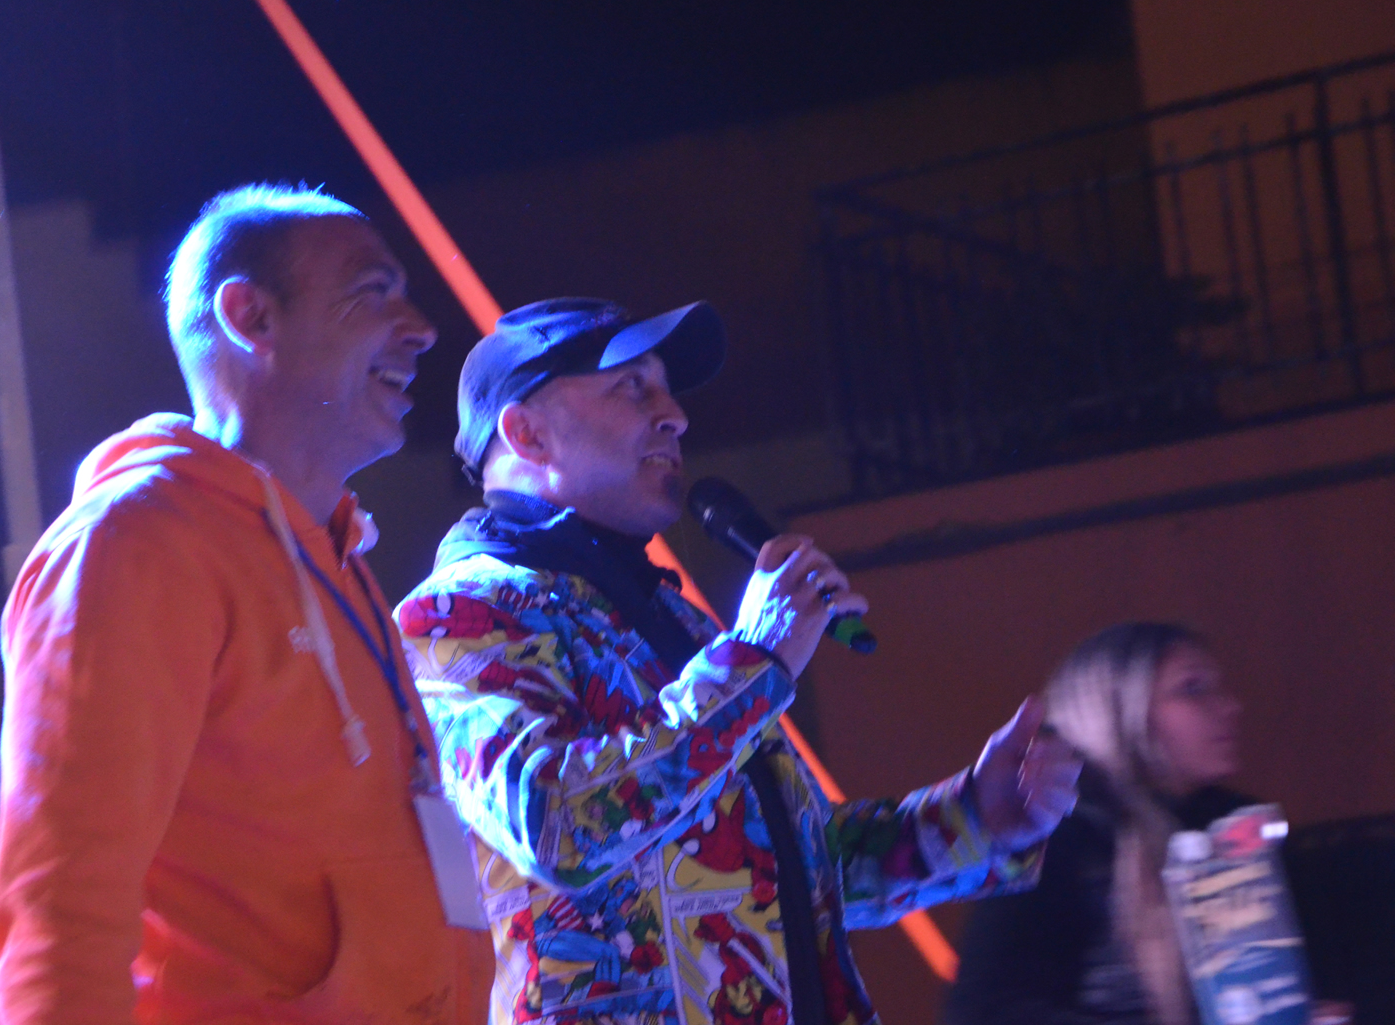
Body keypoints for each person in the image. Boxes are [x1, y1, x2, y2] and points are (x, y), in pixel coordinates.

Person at [393, 297, 1084, 1025]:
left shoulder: (671, 619)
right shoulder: (456, 617)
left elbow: (775, 872)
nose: (675, 416)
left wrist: (973, 818)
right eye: (632, 386)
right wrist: (753, 661)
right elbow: (560, 826)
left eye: (667, 390)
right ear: (526, 433)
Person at [0, 184, 493, 1024]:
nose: (421, 328)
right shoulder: (138, 545)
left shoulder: (332, 551)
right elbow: (63, 907)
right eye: (374, 292)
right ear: (251, 317)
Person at [945, 621, 1349, 1025]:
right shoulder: (1055, 837)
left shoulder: (1244, 827)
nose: (1230, 707)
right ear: (1117, 711)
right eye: (1193, 688)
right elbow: (983, 1012)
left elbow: (1318, 979)